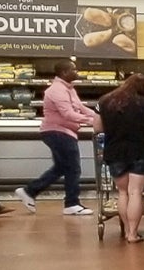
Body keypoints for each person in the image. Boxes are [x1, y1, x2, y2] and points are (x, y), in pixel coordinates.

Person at [15, 60, 98, 216]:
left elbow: (80, 107)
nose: (77, 72)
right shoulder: (56, 90)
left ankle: (29, 191)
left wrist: (99, 116)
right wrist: (92, 121)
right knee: (73, 168)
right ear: (64, 73)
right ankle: (71, 203)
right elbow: (68, 113)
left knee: (61, 167)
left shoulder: (69, 89)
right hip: (58, 132)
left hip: (64, 132)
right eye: (74, 69)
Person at [97, 73, 144, 243]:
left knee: (123, 192)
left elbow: (96, 127)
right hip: (141, 152)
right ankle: (133, 234)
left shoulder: (105, 101)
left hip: (115, 152)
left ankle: (127, 230)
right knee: (136, 192)